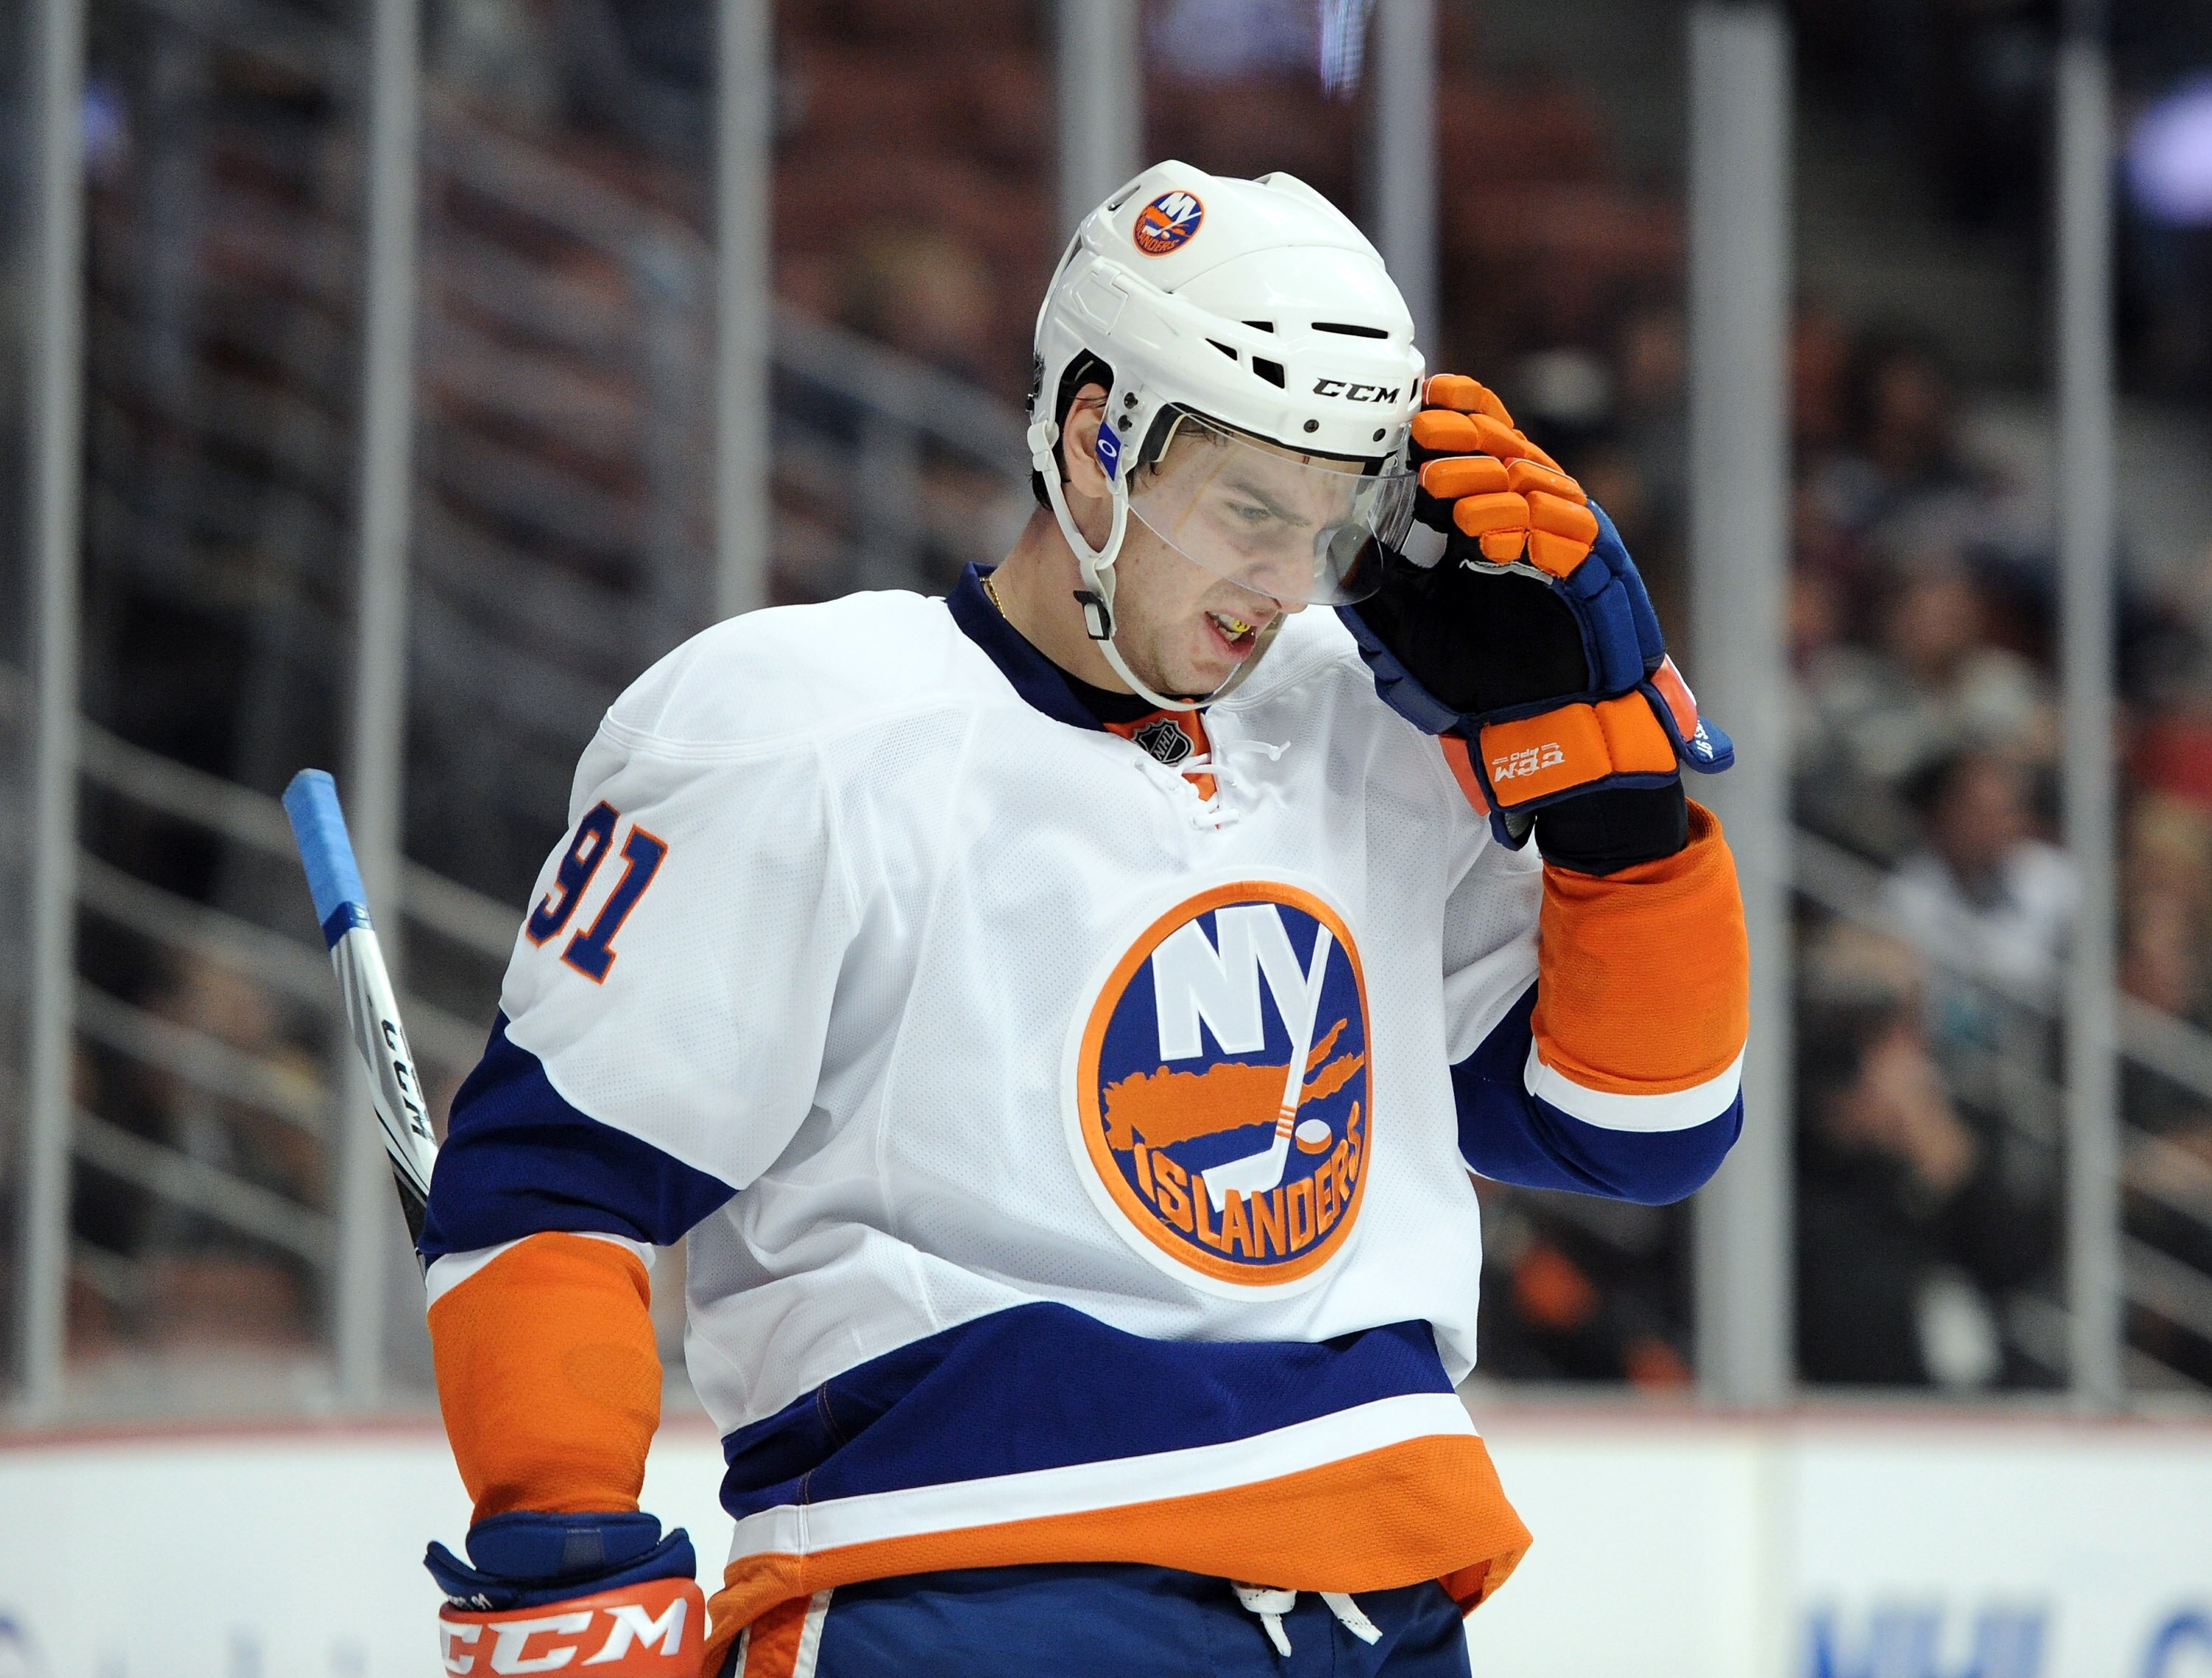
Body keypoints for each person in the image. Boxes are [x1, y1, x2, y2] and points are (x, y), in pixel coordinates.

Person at [417, 164, 1750, 1678]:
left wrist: (1609, 795)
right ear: (1094, 435)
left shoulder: (1369, 722)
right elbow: (556, 1171)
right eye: (1248, 505)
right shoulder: (799, 728)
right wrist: (563, 1540)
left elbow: (1639, 1131)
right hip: (977, 1600)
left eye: (1325, 522)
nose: (1281, 581)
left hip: (1380, 1609)